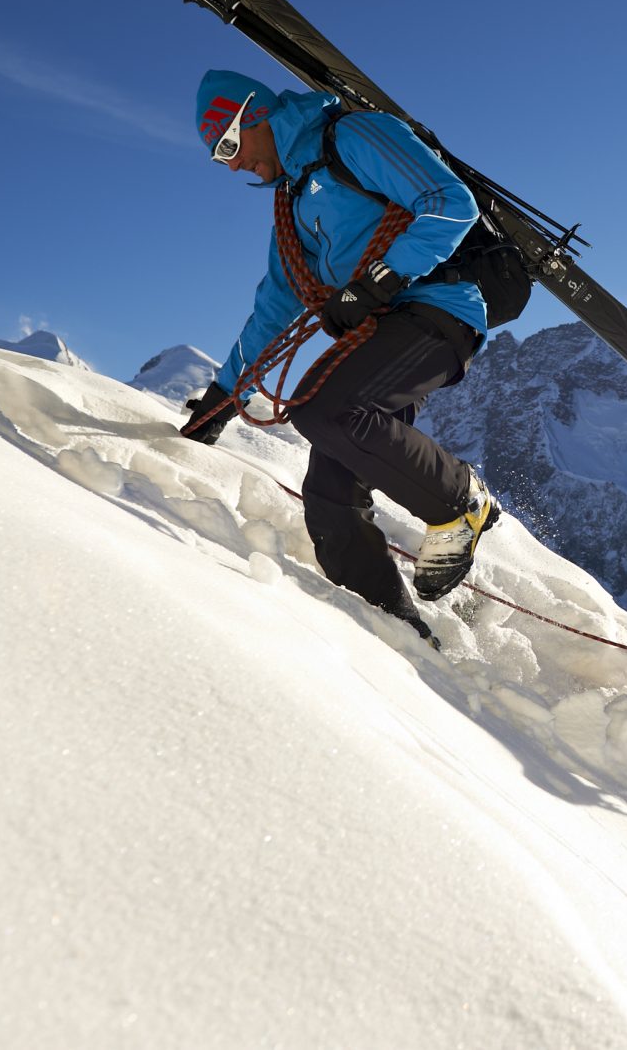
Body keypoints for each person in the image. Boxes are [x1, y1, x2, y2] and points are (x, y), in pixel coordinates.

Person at [177, 69, 499, 646]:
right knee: (330, 503)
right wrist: (223, 399)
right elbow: (274, 307)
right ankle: (397, 635)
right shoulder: (292, 201)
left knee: (328, 411)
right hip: (379, 331)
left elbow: (451, 203)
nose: (229, 166)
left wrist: (380, 278)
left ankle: (459, 501)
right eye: (217, 157)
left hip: (436, 311)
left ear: (256, 117)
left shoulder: (354, 136)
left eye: (228, 145)